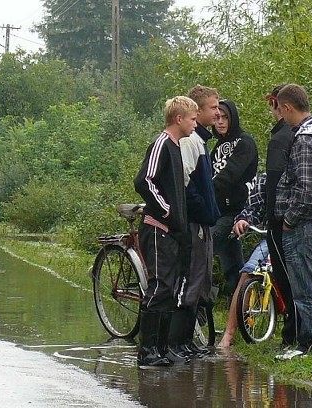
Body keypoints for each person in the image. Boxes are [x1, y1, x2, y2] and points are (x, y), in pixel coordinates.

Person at [133, 96, 198, 367]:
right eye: (192, 119)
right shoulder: (161, 144)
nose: (195, 124)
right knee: (160, 286)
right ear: (178, 119)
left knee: (171, 289)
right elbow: (144, 180)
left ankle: (162, 348)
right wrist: (168, 211)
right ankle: (147, 351)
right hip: (159, 228)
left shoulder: (177, 146)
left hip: (174, 231)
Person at [168, 85, 222, 358]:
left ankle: (186, 342)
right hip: (194, 223)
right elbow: (187, 185)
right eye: (213, 107)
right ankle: (177, 343)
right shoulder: (190, 141)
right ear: (197, 111)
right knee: (191, 281)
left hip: (203, 222)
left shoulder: (201, 140)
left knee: (201, 282)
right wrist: (204, 211)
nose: (218, 112)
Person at [274, 84, 312, 360]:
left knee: (307, 289)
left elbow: (307, 190)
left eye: (281, 110)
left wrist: (289, 221)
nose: (281, 116)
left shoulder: (306, 140)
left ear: (288, 108)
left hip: (306, 226)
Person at [210, 99, 258, 295]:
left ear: (233, 118)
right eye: (217, 117)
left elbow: (229, 176)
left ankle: (199, 307)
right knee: (233, 269)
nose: (220, 122)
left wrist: (204, 196)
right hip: (218, 210)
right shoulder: (217, 146)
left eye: (225, 117)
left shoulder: (245, 143)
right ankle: (241, 316)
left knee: (200, 253)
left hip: (236, 212)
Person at [264, 84, 299, 348]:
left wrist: (275, 219)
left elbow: (275, 182)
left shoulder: (280, 138)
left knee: (287, 278)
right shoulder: (302, 133)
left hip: (282, 220)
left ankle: (293, 334)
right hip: (301, 216)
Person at [218, 173, 268, 348]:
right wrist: (243, 220)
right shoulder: (266, 178)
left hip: (301, 236)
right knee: (248, 272)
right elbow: (252, 208)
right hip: (270, 239)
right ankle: (228, 335)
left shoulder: (308, 169)